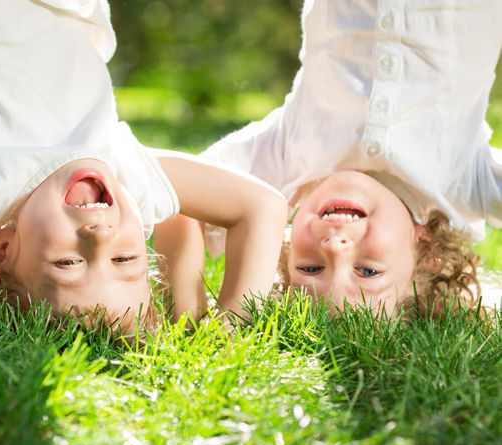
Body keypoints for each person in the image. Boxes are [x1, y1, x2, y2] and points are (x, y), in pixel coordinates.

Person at [0, 0, 287, 331]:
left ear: (1, 251)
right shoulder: (125, 175)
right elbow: (262, 207)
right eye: (124, 259)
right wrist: (224, 332)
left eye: (68, 263)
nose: (100, 235)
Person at [197, 0, 502, 315]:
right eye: (368, 271)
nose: (333, 249)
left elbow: (174, 194)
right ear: (424, 251)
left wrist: (186, 308)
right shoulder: (460, 182)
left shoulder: (290, 156)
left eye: (310, 269)